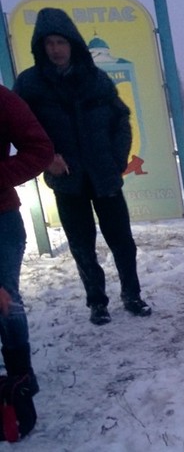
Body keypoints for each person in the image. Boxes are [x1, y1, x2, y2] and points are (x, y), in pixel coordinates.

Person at [14, 7, 151, 326]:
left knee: (122, 241)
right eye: (49, 43)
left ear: (73, 43)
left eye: (61, 42)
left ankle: (132, 295)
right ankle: (97, 303)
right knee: (82, 245)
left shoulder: (96, 79)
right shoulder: (31, 84)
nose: (55, 49)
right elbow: (18, 127)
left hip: (105, 176)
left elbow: (121, 119)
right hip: (67, 181)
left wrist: (117, 159)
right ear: (41, 46)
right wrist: (45, 157)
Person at [1, 85, 53, 416]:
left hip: (0, 219)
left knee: (5, 300)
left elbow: (40, 149)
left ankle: (21, 376)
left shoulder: (2, 100)